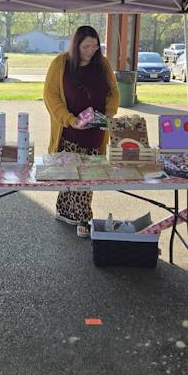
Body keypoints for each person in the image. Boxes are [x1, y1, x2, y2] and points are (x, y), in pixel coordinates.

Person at [44, 25, 120, 237]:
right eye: (86, 46)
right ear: (76, 45)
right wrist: (70, 120)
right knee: (70, 176)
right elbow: (51, 97)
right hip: (70, 132)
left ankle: (82, 218)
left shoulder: (102, 64)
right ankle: (66, 212)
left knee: (87, 179)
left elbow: (114, 92)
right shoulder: (60, 64)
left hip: (96, 133)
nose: (91, 51)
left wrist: (109, 114)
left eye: (95, 46)